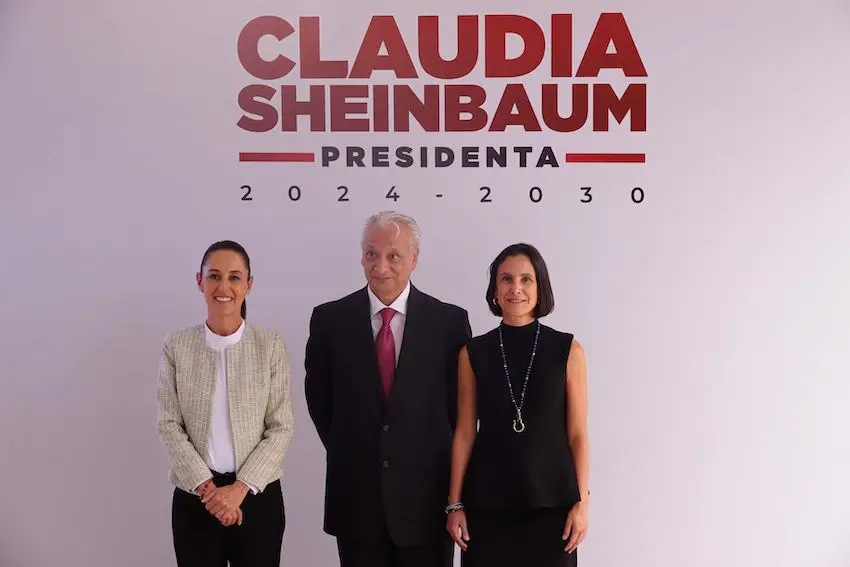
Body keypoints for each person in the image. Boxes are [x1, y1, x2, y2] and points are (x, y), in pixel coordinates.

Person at [305, 211, 472, 567]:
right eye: (371, 254)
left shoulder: (449, 323)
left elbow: (459, 412)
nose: (381, 266)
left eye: (393, 255)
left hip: (428, 505)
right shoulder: (330, 320)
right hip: (357, 501)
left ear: (414, 259)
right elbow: (320, 402)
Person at [445, 243, 590, 567]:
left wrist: (582, 503)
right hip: (487, 509)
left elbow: (578, 434)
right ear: (495, 289)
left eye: (526, 279)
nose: (516, 289)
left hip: (553, 510)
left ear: (540, 287)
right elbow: (465, 433)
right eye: (506, 279)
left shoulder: (568, 350)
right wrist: (454, 504)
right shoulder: (473, 353)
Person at [156, 240, 295, 567]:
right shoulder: (177, 346)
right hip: (195, 498)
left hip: (257, 496)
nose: (224, 286)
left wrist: (238, 490)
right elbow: (169, 425)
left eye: (234, 277)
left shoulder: (270, 345)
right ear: (199, 281)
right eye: (214, 276)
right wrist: (210, 492)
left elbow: (281, 427)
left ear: (249, 284)